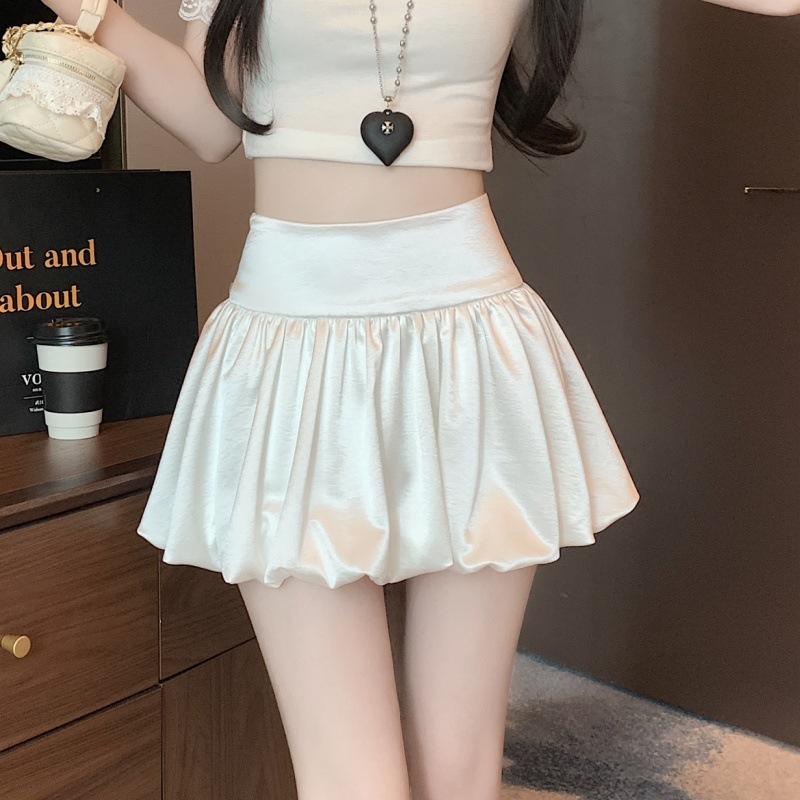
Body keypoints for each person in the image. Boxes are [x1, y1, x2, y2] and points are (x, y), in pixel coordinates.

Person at [36, 1, 796, 799]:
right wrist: (90, 8)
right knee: (353, 780)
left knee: (459, 768)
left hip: (472, 351)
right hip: (290, 353)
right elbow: (210, 120)